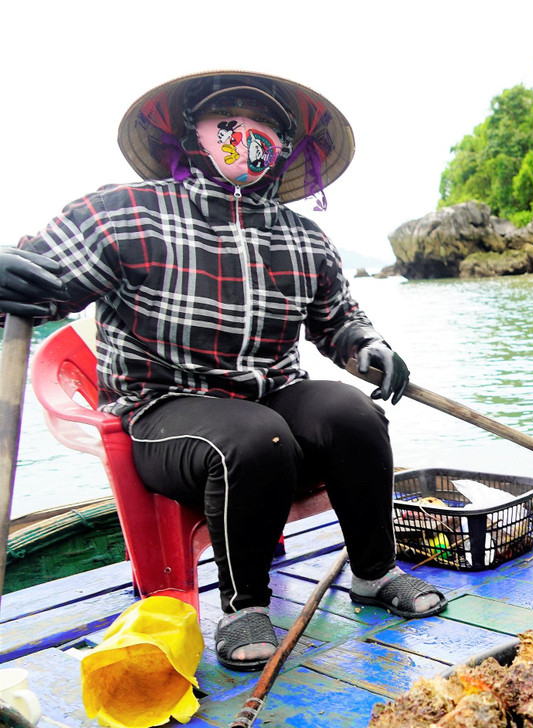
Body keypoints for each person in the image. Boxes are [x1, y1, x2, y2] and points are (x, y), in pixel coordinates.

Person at [0, 71, 445, 671]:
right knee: (254, 437)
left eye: (266, 124)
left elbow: (338, 321)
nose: (248, 133)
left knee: (353, 414)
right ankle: (245, 606)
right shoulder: (123, 213)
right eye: (228, 116)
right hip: (164, 408)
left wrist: (369, 347)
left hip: (272, 395)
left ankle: (374, 573)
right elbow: (40, 279)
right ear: (193, 135)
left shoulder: (304, 238)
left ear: (282, 148)